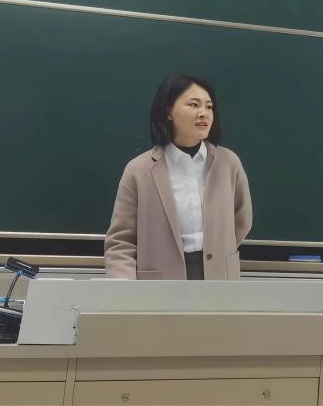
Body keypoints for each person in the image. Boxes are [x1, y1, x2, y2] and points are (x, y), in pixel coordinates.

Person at [105, 74, 253, 280]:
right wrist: (125, 286)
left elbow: (242, 221)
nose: (203, 113)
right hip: (159, 282)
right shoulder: (139, 170)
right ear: (168, 112)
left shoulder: (229, 163)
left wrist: (219, 248)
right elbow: (121, 241)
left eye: (209, 107)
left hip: (220, 276)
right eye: (194, 105)